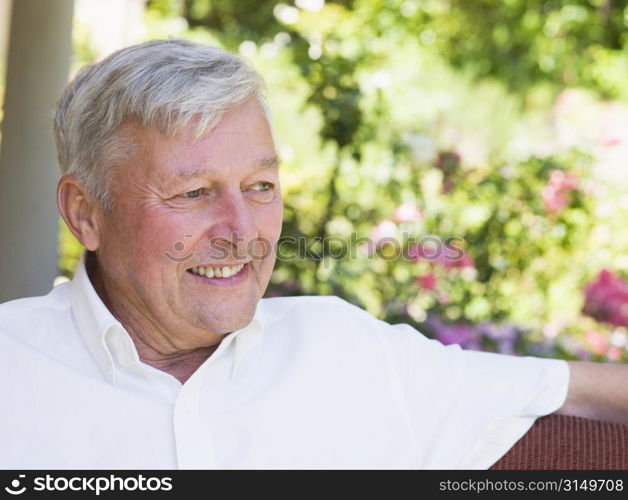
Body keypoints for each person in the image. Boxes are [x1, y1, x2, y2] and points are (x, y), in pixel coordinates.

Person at [0, 38, 626, 470]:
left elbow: (581, 392)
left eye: (261, 188)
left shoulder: (351, 350)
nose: (243, 231)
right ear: (85, 213)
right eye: (193, 194)